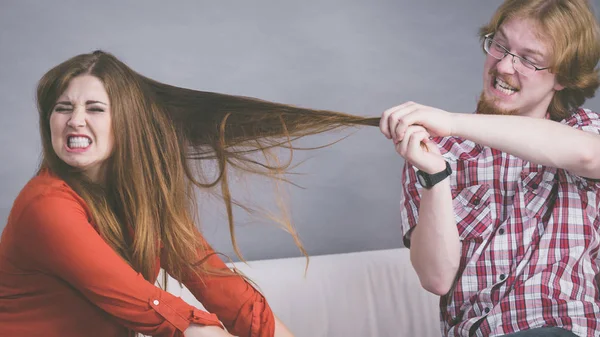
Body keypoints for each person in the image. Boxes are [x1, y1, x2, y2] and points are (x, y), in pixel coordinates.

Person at [0, 50, 375, 337]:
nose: (74, 120)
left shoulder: (140, 206)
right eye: (62, 108)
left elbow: (226, 293)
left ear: (127, 122)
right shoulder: (45, 206)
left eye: (94, 108)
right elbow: (159, 312)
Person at [379, 0, 600, 336]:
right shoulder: (435, 151)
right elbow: (436, 279)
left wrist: (452, 121)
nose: (505, 66)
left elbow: (587, 156)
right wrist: (435, 177)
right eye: (500, 45)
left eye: (529, 59)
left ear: (562, 78)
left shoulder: (585, 131)